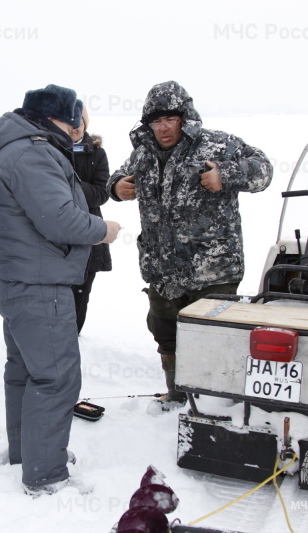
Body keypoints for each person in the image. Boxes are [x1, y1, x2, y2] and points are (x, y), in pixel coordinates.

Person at [0, 84, 121, 494]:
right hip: (41, 287)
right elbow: (59, 218)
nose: (76, 129)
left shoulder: (11, 147)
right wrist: (103, 230)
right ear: (53, 119)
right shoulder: (33, 152)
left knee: (25, 374)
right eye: (71, 121)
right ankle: (46, 477)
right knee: (56, 379)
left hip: (17, 281)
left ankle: (30, 453)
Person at [107, 80, 272, 414]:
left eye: (170, 119)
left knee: (215, 338)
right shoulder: (144, 152)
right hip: (163, 268)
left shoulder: (217, 144)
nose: (164, 128)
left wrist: (226, 175)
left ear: (185, 117)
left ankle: (217, 406)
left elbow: (264, 170)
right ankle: (177, 395)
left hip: (214, 269)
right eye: (156, 121)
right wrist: (117, 187)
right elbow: (118, 178)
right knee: (165, 333)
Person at [67, 104, 112, 334]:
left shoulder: (97, 154)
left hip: (89, 233)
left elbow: (101, 194)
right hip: (56, 233)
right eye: (69, 122)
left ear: (85, 124)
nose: (74, 127)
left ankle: (73, 336)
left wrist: (70, 187)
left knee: (82, 290)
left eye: (79, 122)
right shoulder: (49, 151)